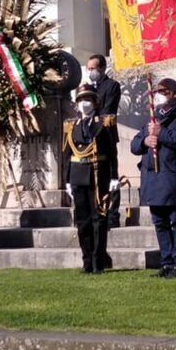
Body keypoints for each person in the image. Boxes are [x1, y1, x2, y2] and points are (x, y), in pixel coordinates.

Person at [130, 78, 176, 278]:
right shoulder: (152, 119)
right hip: (153, 178)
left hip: (174, 177)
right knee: (159, 222)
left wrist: (162, 133)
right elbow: (134, 146)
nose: (159, 94)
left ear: (175, 94)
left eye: (164, 91)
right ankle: (166, 262)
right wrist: (145, 140)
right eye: (157, 91)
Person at [63, 84, 119, 274]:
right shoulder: (71, 127)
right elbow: (67, 155)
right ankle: (87, 261)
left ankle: (98, 262)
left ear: (95, 103)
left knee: (99, 220)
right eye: (80, 100)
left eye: (87, 100)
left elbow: (112, 152)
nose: (84, 104)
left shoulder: (105, 124)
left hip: (98, 175)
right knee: (83, 222)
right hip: (78, 176)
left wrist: (114, 177)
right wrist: (68, 180)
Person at [86, 54, 122, 228]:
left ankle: (113, 215)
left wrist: (93, 118)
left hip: (106, 135)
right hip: (89, 137)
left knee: (110, 174)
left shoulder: (112, 86)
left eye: (93, 68)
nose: (90, 72)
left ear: (101, 68)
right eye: (89, 69)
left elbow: (108, 110)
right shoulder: (87, 88)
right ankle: (95, 211)